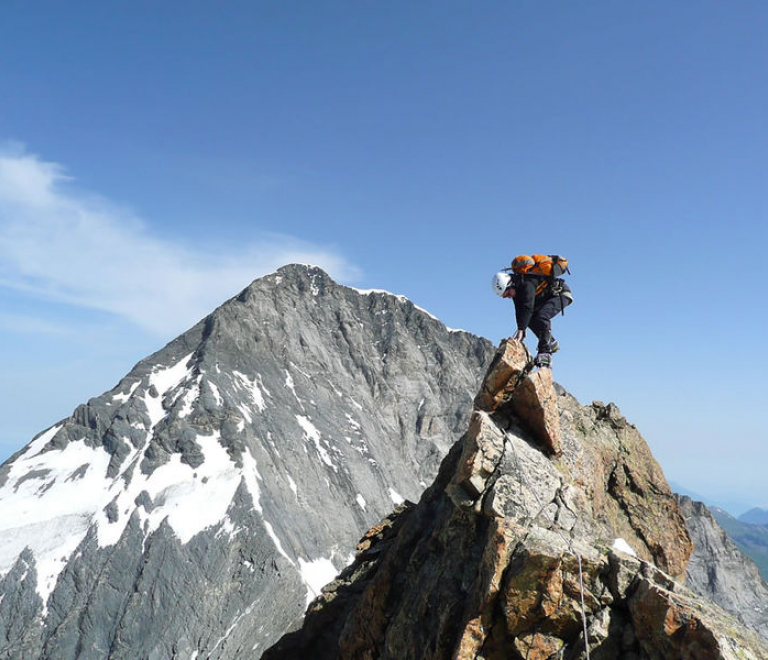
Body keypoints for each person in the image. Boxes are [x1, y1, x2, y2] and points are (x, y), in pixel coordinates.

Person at [492, 269, 573, 367]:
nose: (509, 297)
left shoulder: (527, 283)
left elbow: (528, 307)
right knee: (528, 320)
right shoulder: (517, 290)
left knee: (542, 316)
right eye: (505, 296)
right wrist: (521, 330)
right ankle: (551, 342)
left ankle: (544, 354)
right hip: (548, 297)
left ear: (510, 284)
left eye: (508, 294)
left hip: (561, 294)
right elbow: (519, 311)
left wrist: (521, 330)